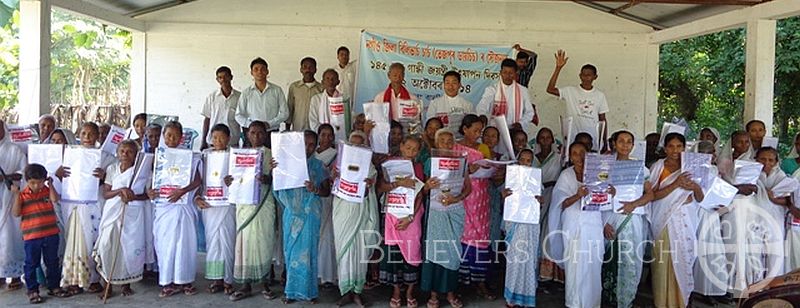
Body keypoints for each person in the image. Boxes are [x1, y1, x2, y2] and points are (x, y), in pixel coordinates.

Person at [272, 130, 331, 304]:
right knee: (290, 253)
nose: (308, 147)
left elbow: (326, 191)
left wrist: (316, 189)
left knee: (309, 252)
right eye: (304, 143)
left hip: (311, 214)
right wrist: (275, 170)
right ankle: (291, 291)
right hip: (291, 214)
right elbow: (277, 188)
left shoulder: (319, 166)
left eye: (312, 144)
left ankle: (310, 292)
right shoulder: (285, 163)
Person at [222, 121, 278, 301]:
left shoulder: (272, 155)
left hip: (264, 204)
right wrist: (229, 180)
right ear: (247, 134)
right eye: (253, 133)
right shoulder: (239, 154)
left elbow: (278, 180)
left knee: (264, 241)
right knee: (244, 243)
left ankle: (264, 283)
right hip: (244, 206)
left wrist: (267, 178)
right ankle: (245, 285)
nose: (256, 136)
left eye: (260, 133)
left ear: (266, 135)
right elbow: (233, 178)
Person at [146, 121, 202, 297]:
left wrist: (183, 191)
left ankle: (185, 281)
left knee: (185, 244)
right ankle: (167, 282)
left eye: (175, 135)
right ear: (164, 136)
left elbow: (198, 180)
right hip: (164, 207)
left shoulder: (191, 157)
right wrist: (150, 192)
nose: (172, 139)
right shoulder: (157, 157)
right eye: (168, 135)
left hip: (184, 206)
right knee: (165, 245)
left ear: (181, 137)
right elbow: (150, 181)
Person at [649, 133, 703, 308]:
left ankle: (681, 302)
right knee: (663, 263)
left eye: (679, 146)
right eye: (671, 146)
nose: (675, 150)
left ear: (684, 148)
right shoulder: (658, 166)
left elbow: (701, 198)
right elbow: (652, 196)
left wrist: (695, 187)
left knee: (684, 260)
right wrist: (675, 184)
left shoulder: (693, 166)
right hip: (664, 222)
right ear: (665, 148)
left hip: (686, 220)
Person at [551, 142, 608, 308]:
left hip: (593, 226)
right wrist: (578, 195)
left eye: (582, 152)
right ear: (570, 156)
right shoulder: (566, 176)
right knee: (575, 266)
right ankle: (574, 303)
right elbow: (560, 203)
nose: (579, 157)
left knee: (593, 266)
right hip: (574, 226)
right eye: (575, 153)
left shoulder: (598, 174)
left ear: (588, 154)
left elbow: (605, 203)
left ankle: (592, 304)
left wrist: (610, 192)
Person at [57, 122, 111, 295]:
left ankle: (93, 279)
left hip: (94, 205)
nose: (87, 137)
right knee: (73, 240)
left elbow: (115, 177)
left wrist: (104, 176)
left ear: (97, 136)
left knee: (92, 240)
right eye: (84, 133)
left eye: (91, 134)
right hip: (72, 205)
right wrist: (59, 175)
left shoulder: (106, 157)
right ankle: (73, 279)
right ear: (78, 134)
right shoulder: (68, 155)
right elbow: (56, 178)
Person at [601, 131, 653, 308]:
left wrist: (634, 204)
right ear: (614, 143)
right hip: (610, 218)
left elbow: (650, 193)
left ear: (633, 145)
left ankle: (626, 300)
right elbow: (599, 194)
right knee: (609, 259)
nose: (625, 145)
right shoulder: (605, 167)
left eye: (629, 141)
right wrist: (605, 222)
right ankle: (610, 299)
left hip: (632, 219)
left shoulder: (641, 168)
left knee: (631, 260)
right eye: (621, 141)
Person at [420, 129, 471, 308]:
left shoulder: (461, 163)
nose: (447, 144)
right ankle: (433, 295)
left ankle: (450, 293)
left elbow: (468, 188)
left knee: (452, 252)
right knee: (435, 251)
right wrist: (427, 186)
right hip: (435, 212)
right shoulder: (430, 162)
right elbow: (423, 190)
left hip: (454, 210)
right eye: (442, 141)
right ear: (436, 144)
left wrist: (455, 199)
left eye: (450, 141)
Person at [94, 140, 148, 297]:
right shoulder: (112, 169)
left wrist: (132, 197)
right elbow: (106, 193)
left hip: (132, 215)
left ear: (136, 154)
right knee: (107, 246)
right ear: (117, 153)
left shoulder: (141, 172)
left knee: (128, 249)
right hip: (112, 214)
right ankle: (107, 285)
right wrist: (121, 191)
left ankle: (126, 284)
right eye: (122, 151)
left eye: (130, 151)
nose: (125, 154)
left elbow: (146, 194)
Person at [331, 131, 379, 307]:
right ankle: (345, 292)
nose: (356, 148)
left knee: (358, 253)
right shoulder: (339, 164)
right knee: (343, 252)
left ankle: (357, 292)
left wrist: (368, 187)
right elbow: (333, 186)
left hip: (360, 214)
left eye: (360, 145)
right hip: (342, 213)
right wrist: (333, 177)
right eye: (353, 144)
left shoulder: (370, 167)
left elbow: (369, 193)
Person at [11, 164, 72, 303]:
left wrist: (50, 185)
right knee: (31, 263)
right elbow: (16, 213)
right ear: (27, 181)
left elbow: (55, 199)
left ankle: (54, 287)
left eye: (39, 182)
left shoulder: (47, 191)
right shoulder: (22, 195)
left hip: (51, 233)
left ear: (44, 180)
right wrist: (16, 195)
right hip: (31, 237)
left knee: (52, 262)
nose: (36, 186)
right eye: (32, 182)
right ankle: (32, 290)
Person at [377, 136, 425, 308]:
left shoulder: (418, 168)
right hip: (392, 215)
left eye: (415, 149)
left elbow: (420, 194)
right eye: (408, 147)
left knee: (412, 255)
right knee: (393, 256)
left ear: (419, 151)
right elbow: (381, 187)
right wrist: (399, 183)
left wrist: (410, 217)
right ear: (401, 146)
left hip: (411, 217)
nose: (411, 152)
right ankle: (396, 291)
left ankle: (410, 292)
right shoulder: (390, 164)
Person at [453, 115, 495, 299]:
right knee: (462, 234)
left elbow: (490, 168)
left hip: (481, 199)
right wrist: (466, 170)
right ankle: (460, 282)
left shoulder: (483, 148)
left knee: (480, 236)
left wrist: (494, 169)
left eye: (480, 131)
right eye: (476, 131)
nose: (479, 135)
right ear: (465, 129)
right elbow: (449, 170)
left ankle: (480, 282)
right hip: (462, 196)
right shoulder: (455, 147)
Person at [194, 124, 236, 296]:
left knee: (227, 241)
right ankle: (216, 278)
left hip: (227, 204)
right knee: (213, 243)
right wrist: (197, 197)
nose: (217, 141)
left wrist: (233, 180)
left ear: (228, 138)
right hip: (209, 205)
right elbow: (197, 179)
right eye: (214, 137)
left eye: (221, 137)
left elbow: (242, 178)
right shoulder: (204, 156)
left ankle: (228, 279)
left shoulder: (234, 156)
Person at [500, 149, 542, 308]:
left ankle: (527, 297)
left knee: (529, 260)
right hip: (515, 227)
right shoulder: (510, 181)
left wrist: (539, 200)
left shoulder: (536, 181)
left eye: (528, 160)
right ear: (517, 162)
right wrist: (504, 197)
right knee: (515, 260)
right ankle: (511, 299)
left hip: (530, 226)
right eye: (522, 160)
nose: (525, 163)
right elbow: (507, 205)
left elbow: (540, 201)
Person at [546, 50, 609, 152]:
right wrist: (558, 68)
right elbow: (550, 89)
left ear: (595, 77)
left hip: (593, 140)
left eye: (589, 75)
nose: (586, 77)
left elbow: (603, 120)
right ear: (580, 75)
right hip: (573, 139)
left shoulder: (599, 95)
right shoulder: (570, 91)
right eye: (583, 74)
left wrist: (605, 141)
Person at [692, 140, 730, 303]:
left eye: (713, 152)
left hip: (712, 213)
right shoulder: (691, 170)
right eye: (709, 152)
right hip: (698, 213)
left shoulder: (714, 169)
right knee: (700, 250)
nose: (713, 155)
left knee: (715, 251)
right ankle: (699, 289)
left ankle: (715, 288)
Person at [536, 128, 566, 284]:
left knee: (548, 231)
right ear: (538, 140)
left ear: (552, 141)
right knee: (536, 231)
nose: (545, 140)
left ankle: (547, 272)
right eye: (542, 137)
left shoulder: (558, 157)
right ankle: (534, 269)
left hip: (552, 196)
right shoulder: (533, 158)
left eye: (548, 137)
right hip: (536, 198)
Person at [235, 57, 288, 145]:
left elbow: (285, 113)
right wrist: (251, 125)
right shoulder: (246, 92)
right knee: (252, 157)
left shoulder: (276, 90)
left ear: (267, 71)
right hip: (251, 134)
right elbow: (238, 115)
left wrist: (269, 124)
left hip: (271, 132)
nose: (259, 72)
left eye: (263, 69)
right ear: (251, 72)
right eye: (256, 69)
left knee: (270, 157)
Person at [0, 120, 26, 292]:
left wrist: (5, 177)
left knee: (10, 235)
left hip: (9, 197)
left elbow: (25, 173)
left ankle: (15, 275)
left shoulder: (14, 149)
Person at [477, 59, 535, 129]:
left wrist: (521, 123)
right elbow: (483, 105)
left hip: (515, 130)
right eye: (505, 72)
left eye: (511, 73)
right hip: (495, 131)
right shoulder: (492, 89)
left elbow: (530, 112)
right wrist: (483, 115)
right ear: (500, 73)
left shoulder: (523, 91)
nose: (508, 75)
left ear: (516, 73)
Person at [314, 124, 338, 289]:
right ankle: (314, 274)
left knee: (326, 236)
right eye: (323, 135)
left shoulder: (337, 155)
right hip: (313, 198)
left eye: (330, 135)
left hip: (328, 198)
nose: (326, 138)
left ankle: (327, 276)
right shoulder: (311, 154)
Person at [201, 66, 242, 150]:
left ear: (231, 77)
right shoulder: (212, 97)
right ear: (217, 80)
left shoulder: (240, 97)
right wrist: (203, 141)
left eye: (226, 76)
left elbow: (243, 120)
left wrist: (247, 141)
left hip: (232, 142)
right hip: (214, 142)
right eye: (220, 77)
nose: (223, 79)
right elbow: (207, 119)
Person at [309, 69, 349, 141]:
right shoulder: (316, 99)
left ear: (338, 82)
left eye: (333, 79)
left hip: (339, 138)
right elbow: (313, 122)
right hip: (321, 139)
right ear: (322, 82)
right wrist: (325, 136)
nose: (330, 81)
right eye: (327, 79)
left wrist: (335, 133)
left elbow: (347, 122)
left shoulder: (344, 99)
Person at [287, 57, 323, 132]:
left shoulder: (321, 88)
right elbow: (290, 108)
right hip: (298, 129)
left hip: (316, 130)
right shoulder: (294, 87)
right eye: (305, 67)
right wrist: (287, 129)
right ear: (301, 70)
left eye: (311, 67)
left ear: (315, 70)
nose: (308, 70)